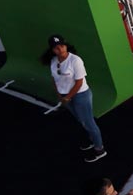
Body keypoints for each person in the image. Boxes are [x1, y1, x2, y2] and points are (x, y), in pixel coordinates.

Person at [43, 34, 107, 163]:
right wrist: (59, 95)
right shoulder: (54, 61)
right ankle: (92, 140)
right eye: (56, 48)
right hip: (66, 97)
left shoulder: (75, 61)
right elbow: (54, 78)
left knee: (89, 123)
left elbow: (79, 82)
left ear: (66, 46)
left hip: (80, 96)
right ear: (52, 50)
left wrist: (67, 97)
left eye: (62, 46)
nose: (60, 49)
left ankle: (100, 150)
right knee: (81, 120)